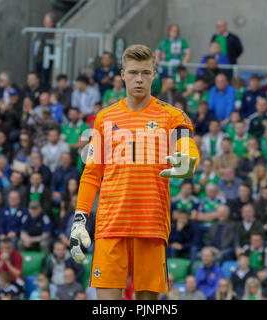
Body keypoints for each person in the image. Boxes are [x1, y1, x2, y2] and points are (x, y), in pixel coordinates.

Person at [69, 45, 200, 300]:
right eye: (133, 73)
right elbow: (92, 173)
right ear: (122, 75)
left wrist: (189, 161)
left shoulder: (173, 116)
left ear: (154, 75)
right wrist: (79, 219)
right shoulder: (104, 118)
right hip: (110, 225)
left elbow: (187, 146)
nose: (139, 79)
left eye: (145, 72)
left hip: (150, 225)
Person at [33, 13, 56, 87]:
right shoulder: (42, 31)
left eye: (47, 20)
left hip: (45, 58)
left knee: (44, 78)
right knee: (36, 76)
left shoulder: (52, 32)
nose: (45, 22)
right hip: (38, 58)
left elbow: (49, 44)